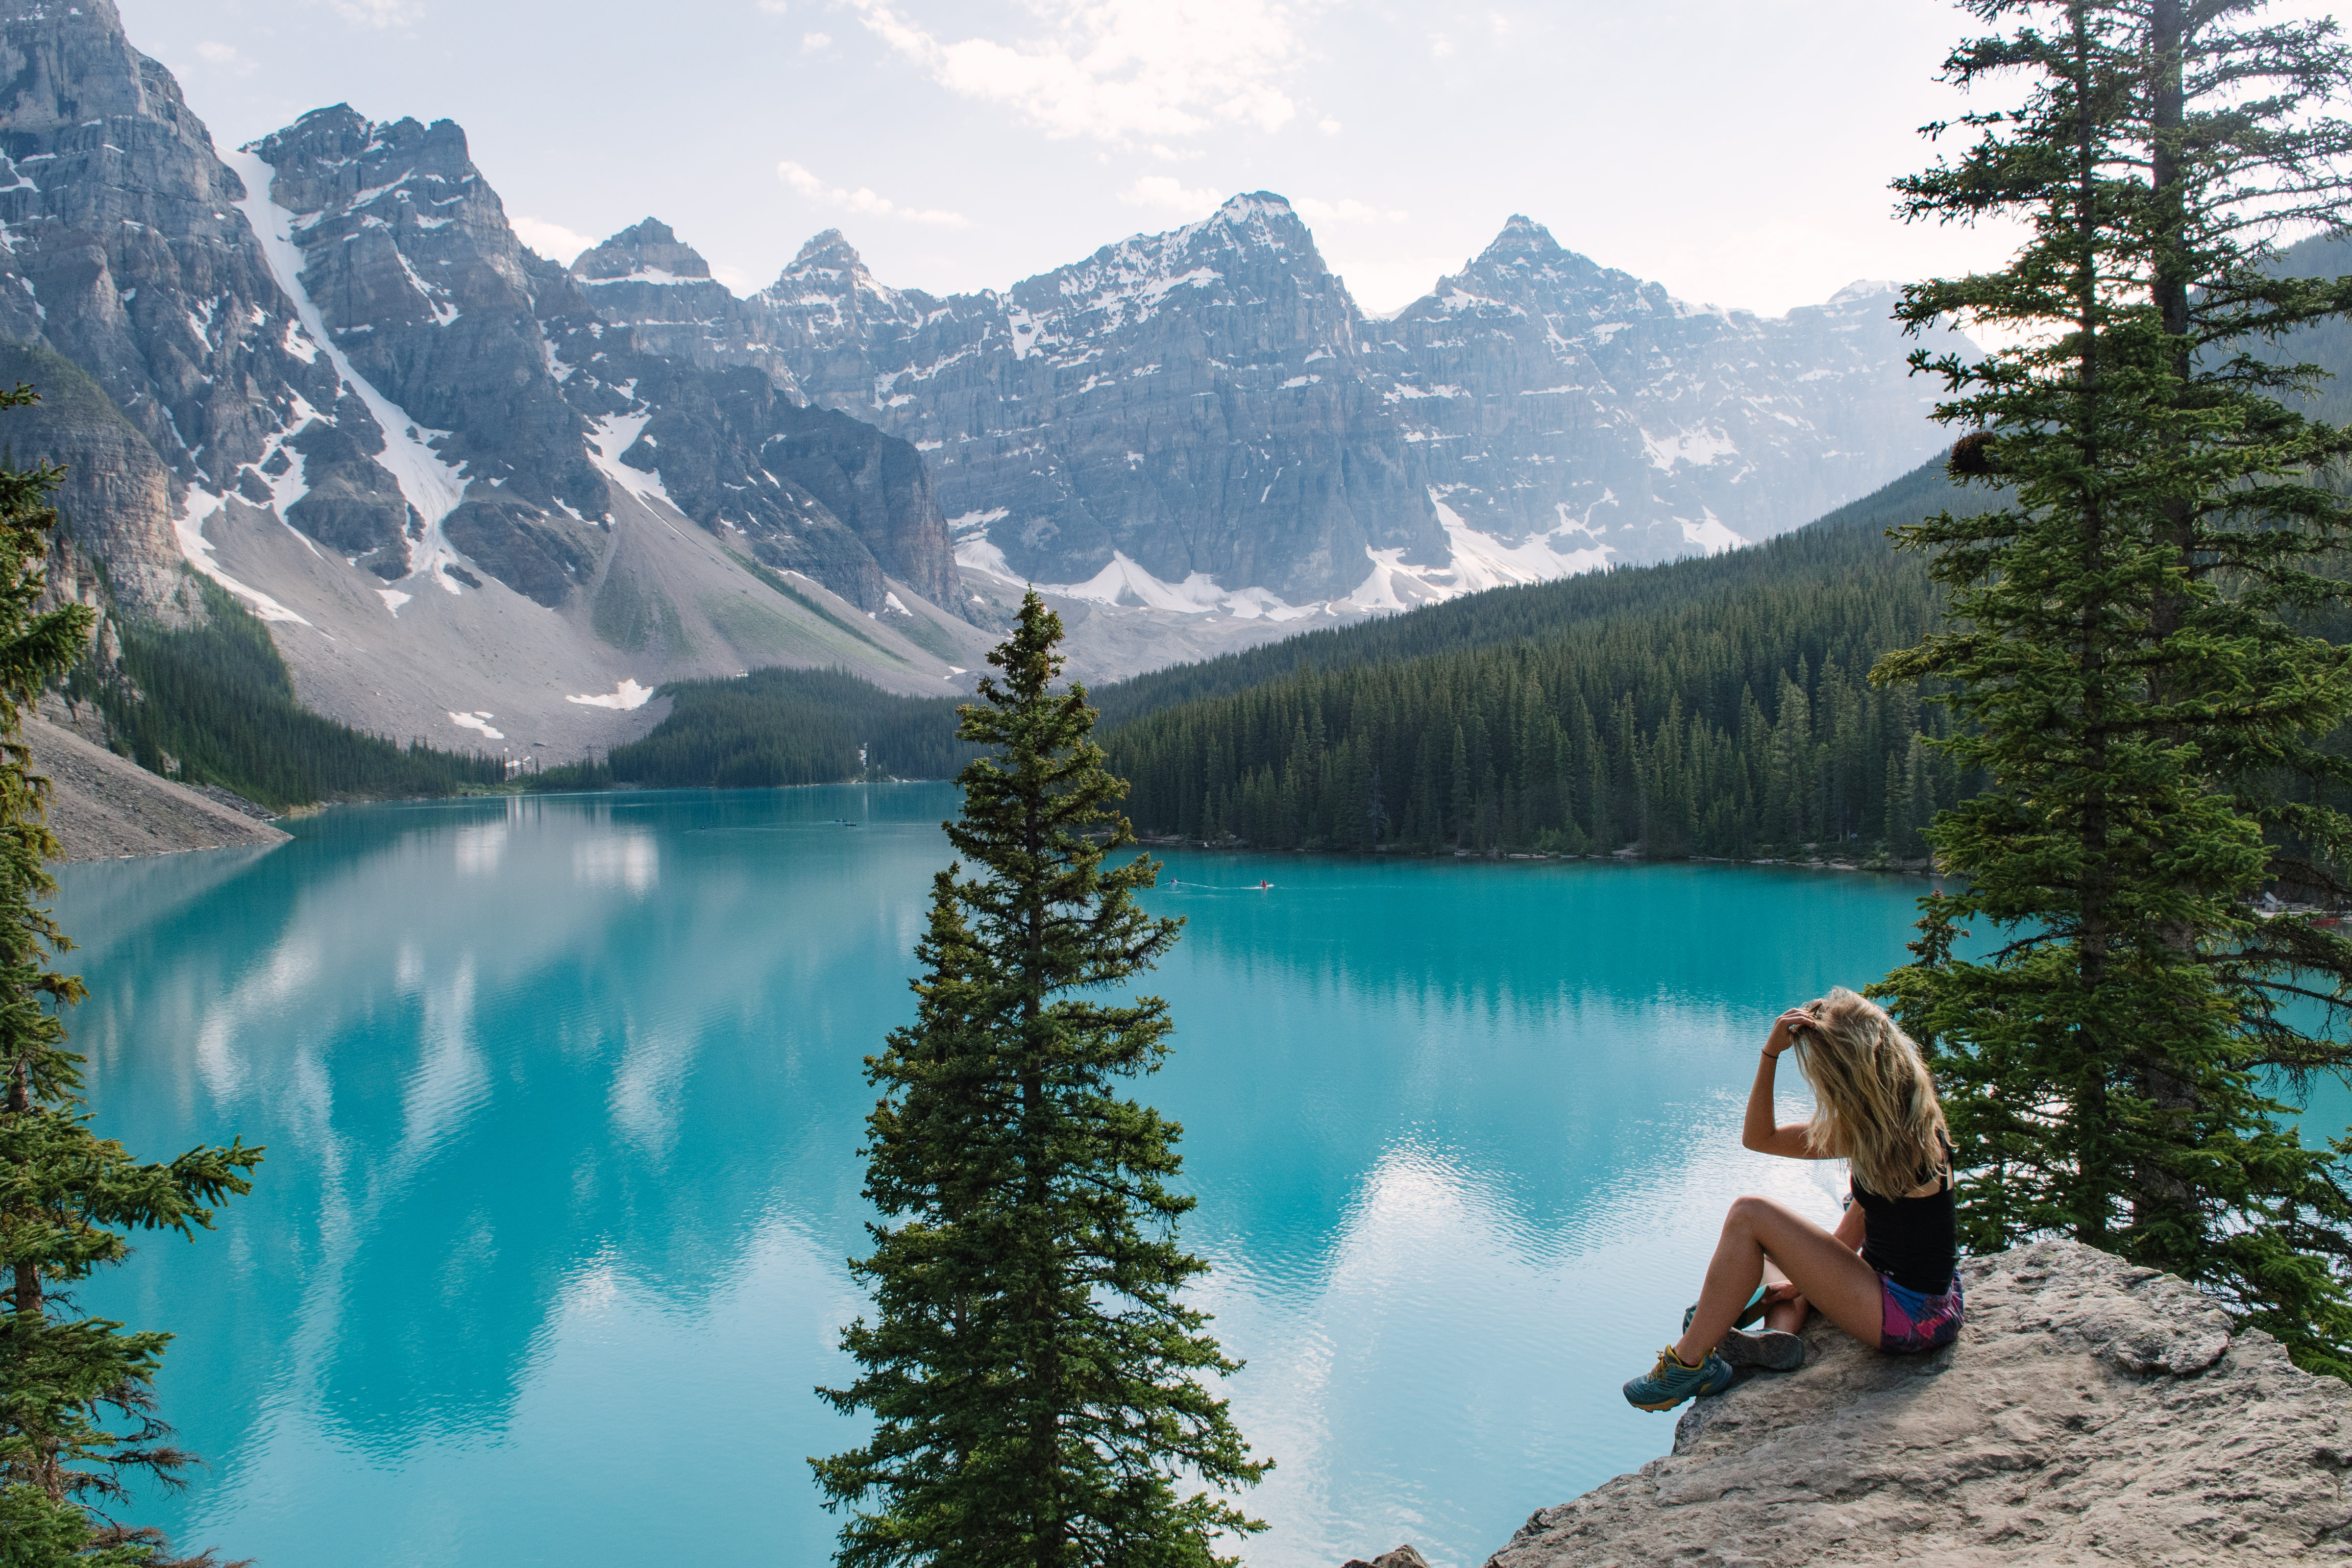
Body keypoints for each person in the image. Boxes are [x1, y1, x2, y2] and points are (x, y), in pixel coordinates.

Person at [1622, 986, 1962, 1410]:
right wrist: (1800, 1279)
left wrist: (1771, 1056)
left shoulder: (1901, 1142)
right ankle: (1771, 1338)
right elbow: (1764, 1144)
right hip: (1908, 1296)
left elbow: (1759, 1139)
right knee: (1761, 1262)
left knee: (1750, 1216)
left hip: (1909, 1315)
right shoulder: (1897, 1123)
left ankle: (1688, 1364)